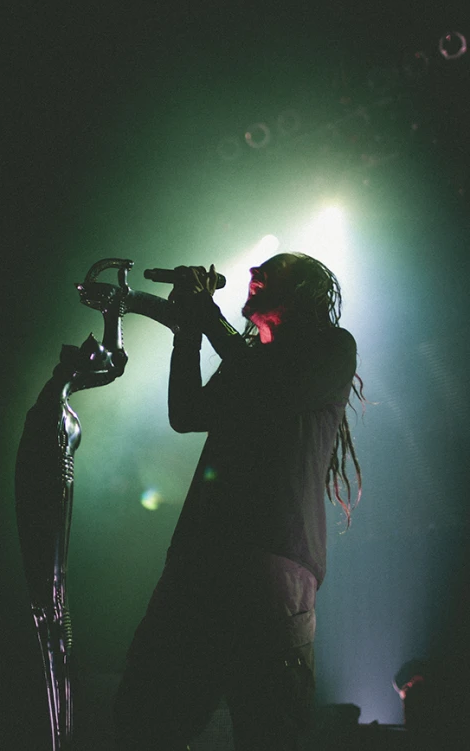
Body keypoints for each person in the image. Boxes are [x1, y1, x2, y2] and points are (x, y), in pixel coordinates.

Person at [113, 252, 363, 751]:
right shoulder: (247, 364)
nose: (253, 274)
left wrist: (208, 319)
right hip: (198, 561)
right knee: (145, 722)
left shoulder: (330, 347)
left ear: (307, 293)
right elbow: (186, 413)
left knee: (267, 731)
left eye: (273, 270)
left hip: (271, 564)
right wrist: (186, 330)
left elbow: (277, 383)